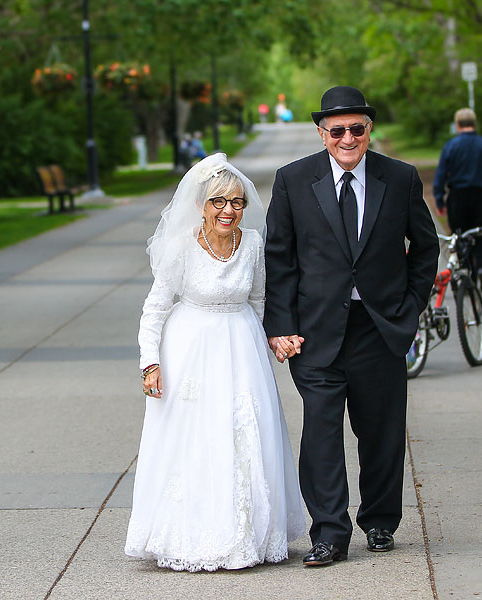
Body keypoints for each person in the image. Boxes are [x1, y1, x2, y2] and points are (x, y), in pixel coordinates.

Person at [263, 86, 438, 567]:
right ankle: (329, 534)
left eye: (356, 129)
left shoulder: (398, 178)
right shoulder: (292, 180)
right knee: (320, 432)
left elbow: (424, 249)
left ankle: (380, 522)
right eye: (336, 130)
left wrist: (409, 307)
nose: (347, 138)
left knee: (380, 432)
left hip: (379, 329)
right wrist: (279, 325)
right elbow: (279, 260)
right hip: (315, 333)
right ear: (322, 134)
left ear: (369, 131)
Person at [126, 153, 306, 572]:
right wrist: (149, 363)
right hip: (191, 349)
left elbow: (260, 299)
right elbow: (154, 309)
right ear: (202, 205)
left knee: (247, 434)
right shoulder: (181, 246)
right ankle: (193, 534)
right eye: (219, 202)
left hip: (241, 345)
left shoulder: (254, 244)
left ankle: (250, 534)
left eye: (237, 203)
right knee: (197, 439)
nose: (229, 211)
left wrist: (270, 344)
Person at [433, 107, 482, 293]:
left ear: (457, 125)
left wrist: (439, 200)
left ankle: (466, 274)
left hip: (458, 197)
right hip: (481, 195)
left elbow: (440, 175)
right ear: (474, 123)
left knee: (460, 235)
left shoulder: (451, 146)